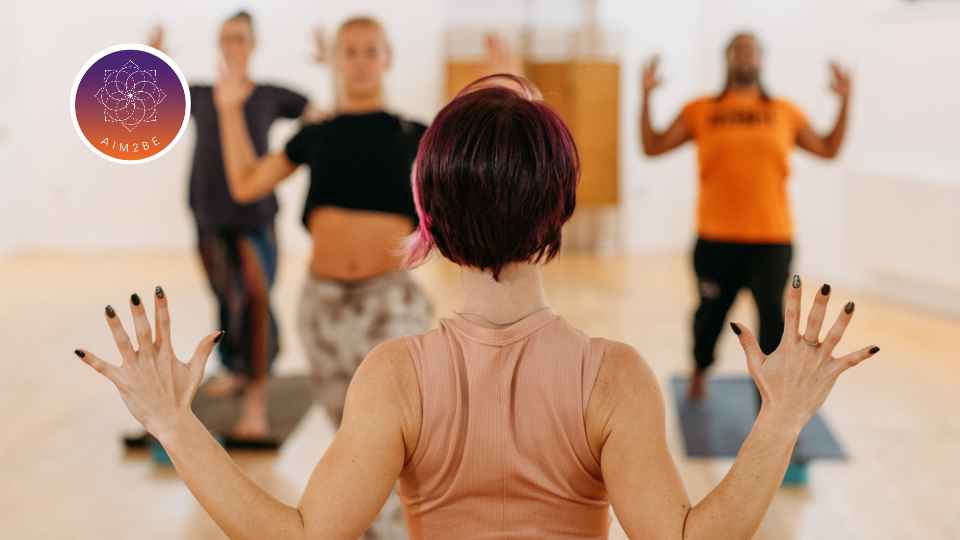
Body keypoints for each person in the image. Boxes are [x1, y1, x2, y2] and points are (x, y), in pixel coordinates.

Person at [75, 73, 879, 539]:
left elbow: (303, 536)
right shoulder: (614, 377)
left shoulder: (394, 376)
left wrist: (176, 423)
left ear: (428, 216)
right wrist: (779, 422)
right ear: (558, 212)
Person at [639, 32, 851, 408]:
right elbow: (653, 146)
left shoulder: (784, 111)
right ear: (728, 58)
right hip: (715, 239)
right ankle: (700, 371)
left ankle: (766, 400)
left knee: (772, 321)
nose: (745, 56)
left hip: (771, 240)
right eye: (738, 49)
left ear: (761, 60)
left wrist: (845, 100)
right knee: (708, 318)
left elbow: (829, 149)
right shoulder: (701, 110)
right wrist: (645, 96)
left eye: (751, 50)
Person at [146, 11, 323, 439]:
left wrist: (328, 59)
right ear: (219, 44)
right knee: (227, 299)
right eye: (227, 38)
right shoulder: (201, 94)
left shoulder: (267, 95)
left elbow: (316, 115)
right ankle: (239, 371)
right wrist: (155, 57)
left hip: (254, 217)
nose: (233, 46)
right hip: (207, 212)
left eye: (241, 38)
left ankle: (257, 400)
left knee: (257, 298)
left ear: (253, 43)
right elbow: (155, 94)